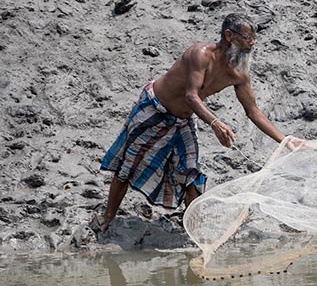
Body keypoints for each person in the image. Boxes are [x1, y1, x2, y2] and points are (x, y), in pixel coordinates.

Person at [93, 13, 303, 232]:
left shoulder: (239, 73)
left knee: (190, 171)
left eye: (254, 38)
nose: (253, 43)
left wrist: (286, 140)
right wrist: (215, 123)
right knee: (130, 163)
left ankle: (194, 230)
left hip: (182, 120)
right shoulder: (201, 54)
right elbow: (191, 96)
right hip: (155, 108)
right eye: (248, 38)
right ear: (229, 36)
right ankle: (108, 218)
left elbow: (253, 112)